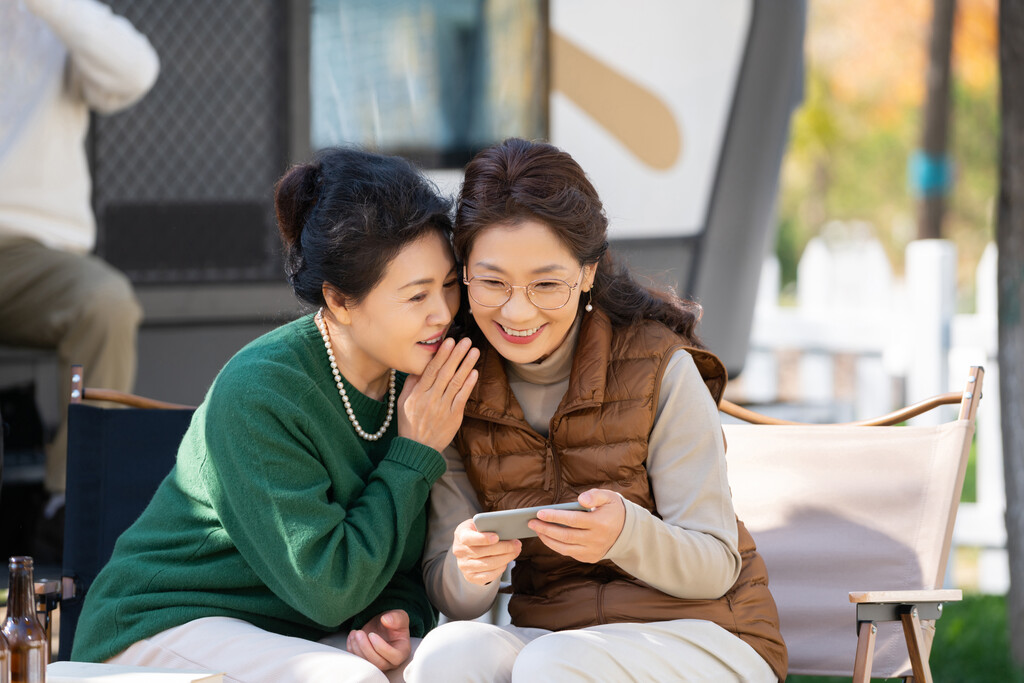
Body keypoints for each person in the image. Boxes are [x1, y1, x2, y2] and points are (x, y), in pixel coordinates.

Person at [70, 147, 480, 683]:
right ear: (339, 301)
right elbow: (328, 588)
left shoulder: (417, 375)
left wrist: (391, 619)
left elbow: (399, 560)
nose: (443, 313)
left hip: (292, 629)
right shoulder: (262, 391)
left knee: (441, 667)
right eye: (416, 295)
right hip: (163, 626)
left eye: (449, 285)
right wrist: (414, 453)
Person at [405, 138, 788, 682]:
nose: (517, 311)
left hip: (706, 635)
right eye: (492, 282)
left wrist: (626, 535)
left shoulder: (660, 367)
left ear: (587, 273)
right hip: (558, 637)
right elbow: (459, 600)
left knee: (551, 664)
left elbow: (715, 564)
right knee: (449, 655)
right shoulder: (455, 384)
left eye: (546, 284)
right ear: (463, 272)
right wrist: (470, 568)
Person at [0, 0, 160, 549]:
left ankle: (75, 500)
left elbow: (134, 72)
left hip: (35, 251)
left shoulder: (58, 19)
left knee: (106, 301)